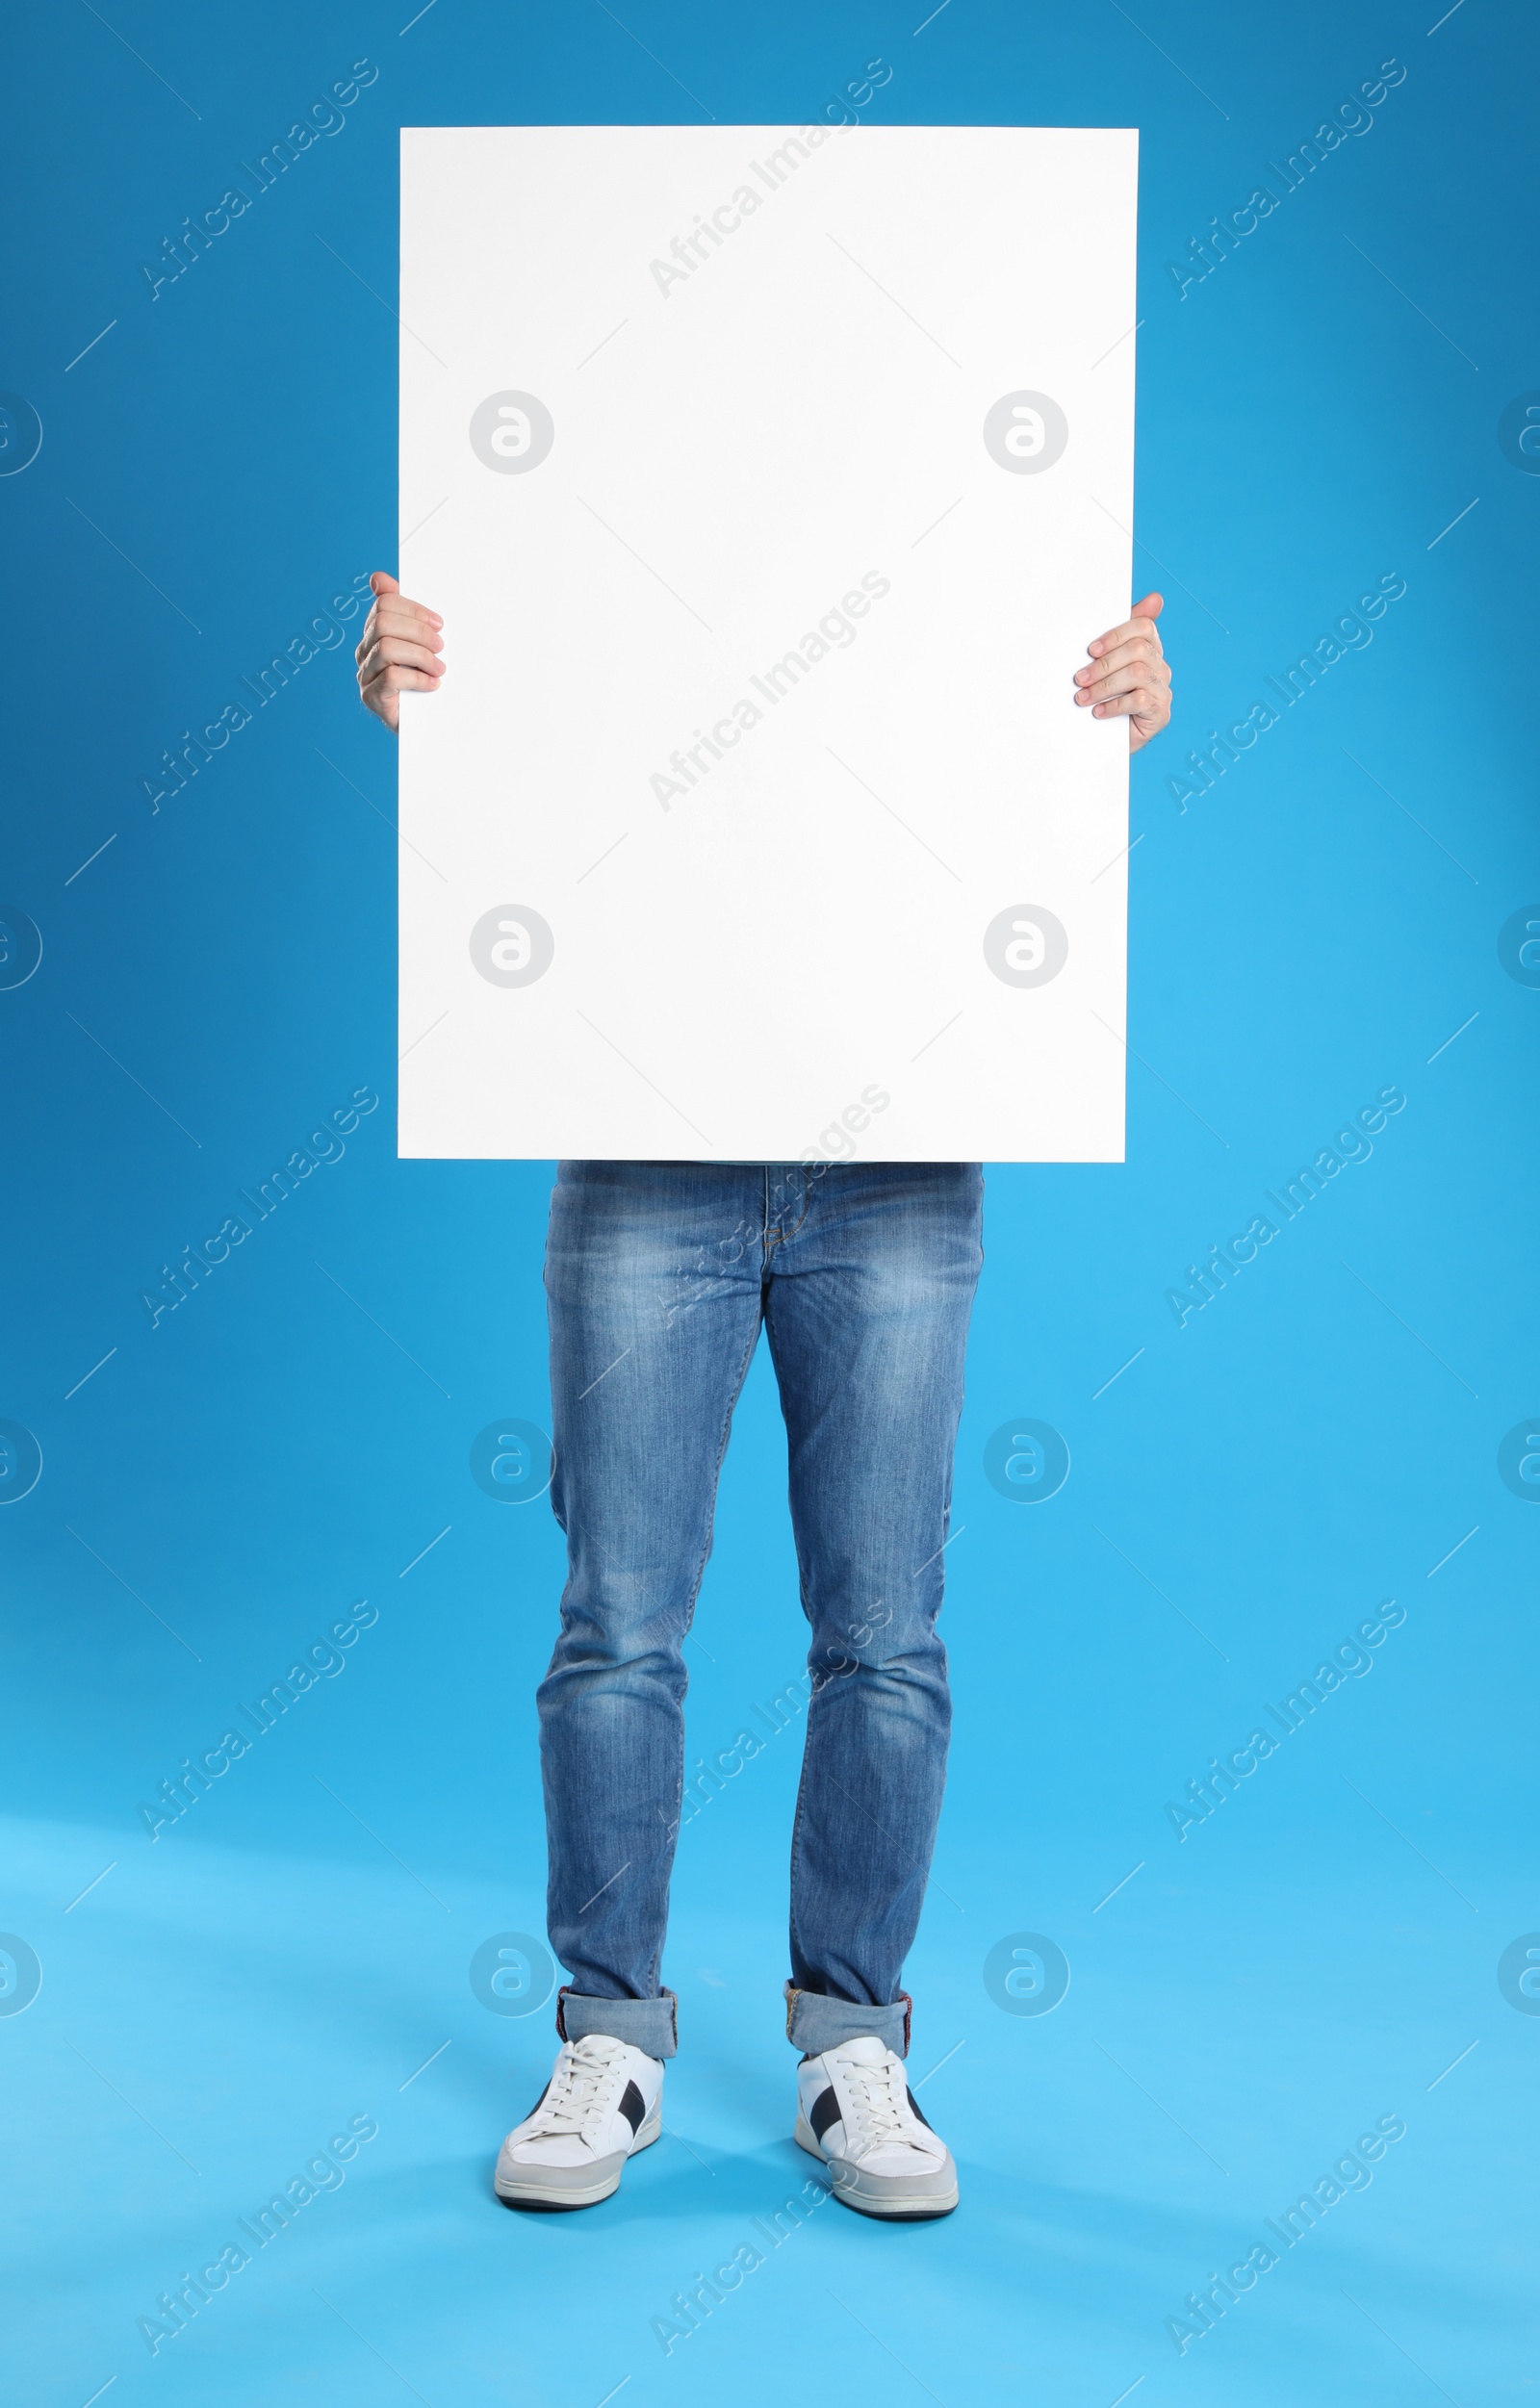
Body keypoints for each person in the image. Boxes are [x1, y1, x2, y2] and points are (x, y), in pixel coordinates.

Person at [357, 570, 1172, 2219]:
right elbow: (564, 710)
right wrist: (442, 697)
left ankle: (850, 2041)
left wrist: (1105, 709)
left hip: (899, 1152)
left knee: (884, 1626)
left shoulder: (965, 479)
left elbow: (971, 729)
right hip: (644, 1141)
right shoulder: (614, 461)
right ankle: (611, 2035)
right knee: (618, 1617)